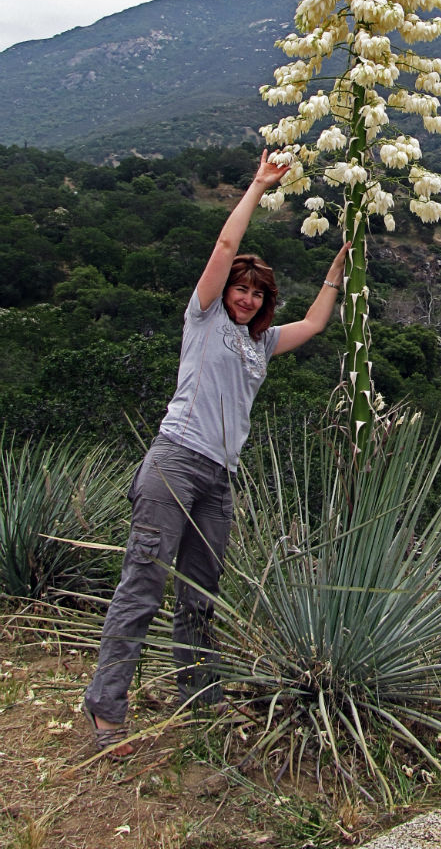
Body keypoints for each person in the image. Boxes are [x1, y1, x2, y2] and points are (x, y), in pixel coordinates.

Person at [82, 149, 350, 758]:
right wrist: (259, 186)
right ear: (226, 290)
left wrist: (338, 268)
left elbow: (313, 324)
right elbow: (225, 249)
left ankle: (196, 699)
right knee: (142, 585)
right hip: (174, 461)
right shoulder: (203, 320)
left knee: (201, 593)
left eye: (259, 293)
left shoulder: (261, 344)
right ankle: (105, 705)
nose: (248, 298)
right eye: (242, 289)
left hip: (218, 480)